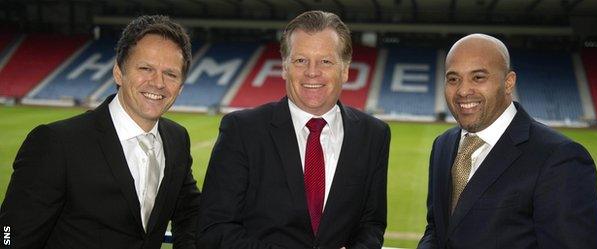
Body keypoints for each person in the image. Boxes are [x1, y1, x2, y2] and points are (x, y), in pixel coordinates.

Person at [0, 15, 200, 249]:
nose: (158, 83)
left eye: (171, 74)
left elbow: (190, 212)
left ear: (181, 86)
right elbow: (9, 235)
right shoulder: (56, 144)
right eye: (146, 68)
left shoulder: (177, 139)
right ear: (118, 72)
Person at [197, 10, 390, 249]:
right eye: (300, 60)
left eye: (326, 61)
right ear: (285, 67)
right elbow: (214, 228)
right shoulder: (242, 130)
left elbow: (372, 224)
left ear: (345, 69)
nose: (312, 72)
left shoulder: (374, 135)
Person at [417, 33, 597, 249]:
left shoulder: (560, 159)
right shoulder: (443, 145)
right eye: (453, 79)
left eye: (478, 77)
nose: (463, 91)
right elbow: (438, 230)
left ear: (508, 82)